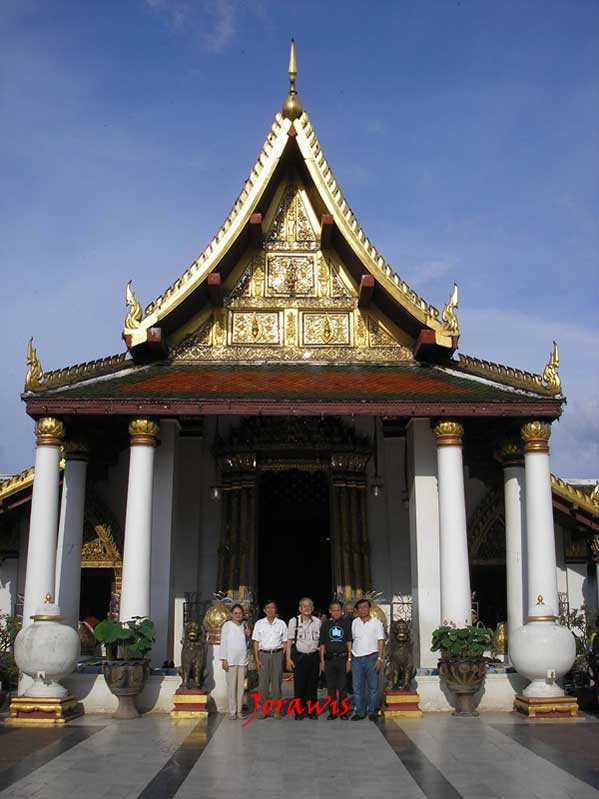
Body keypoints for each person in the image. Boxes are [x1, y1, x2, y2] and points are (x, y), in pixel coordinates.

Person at [252, 599, 288, 719]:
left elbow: (285, 641)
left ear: (275, 610)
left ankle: (276, 710)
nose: (270, 610)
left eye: (273, 608)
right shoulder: (259, 624)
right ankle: (262, 709)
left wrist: (281, 655)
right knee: (263, 684)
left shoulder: (281, 623)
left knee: (277, 683)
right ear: (264, 610)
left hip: (277, 654)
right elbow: (256, 642)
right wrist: (257, 659)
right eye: (268, 608)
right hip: (263, 654)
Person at [286, 597, 321, 720]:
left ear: (312, 608)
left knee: (313, 685)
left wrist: (321, 661)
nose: (307, 608)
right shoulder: (293, 621)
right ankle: (299, 712)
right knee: (299, 686)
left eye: (309, 606)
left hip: (313, 657)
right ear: (300, 608)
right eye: (304, 606)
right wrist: (288, 659)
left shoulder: (317, 621)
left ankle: (312, 711)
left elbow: (321, 643)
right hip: (299, 657)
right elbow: (289, 642)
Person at [350, 598, 385, 721]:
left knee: (373, 687)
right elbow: (352, 641)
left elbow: (380, 641)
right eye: (360, 608)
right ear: (357, 610)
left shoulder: (376, 622)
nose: (362, 609)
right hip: (357, 659)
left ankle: (372, 711)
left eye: (365, 607)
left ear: (369, 609)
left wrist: (379, 659)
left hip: (372, 657)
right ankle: (360, 712)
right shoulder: (354, 622)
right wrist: (350, 659)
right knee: (357, 687)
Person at [319, 599, 352, 719]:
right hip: (329, 659)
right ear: (330, 611)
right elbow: (322, 644)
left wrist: (349, 660)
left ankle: (343, 712)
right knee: (331, 688)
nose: (336, 612)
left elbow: (349, 642)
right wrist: (322, 661)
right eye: (333, 610)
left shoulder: (347, 623)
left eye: (338, 610)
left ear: (342, 611)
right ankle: (332, 712)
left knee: (343, 687)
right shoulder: (325, 624)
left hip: (342, 658)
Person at [220, 603, 250, 720]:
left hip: (242, 660)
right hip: (231, 660)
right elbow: (223, 643)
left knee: (241, 688)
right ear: (231, 614)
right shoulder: (227, 625)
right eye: (235, 613)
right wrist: (224, 659)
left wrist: (248, 636)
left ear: (243, 614)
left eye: (240, 613)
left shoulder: (244, 626)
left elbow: (245, 644)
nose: (238, 615)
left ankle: (239, 711)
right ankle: (232, 711)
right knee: (232, 687)